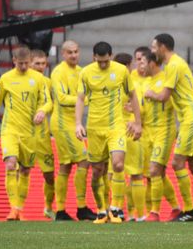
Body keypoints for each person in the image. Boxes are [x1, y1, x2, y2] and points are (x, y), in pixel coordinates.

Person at [146, 33, 193, 222]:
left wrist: (150, 93)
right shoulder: (177, 64)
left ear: (162, 47)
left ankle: (189, 209)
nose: (152, 52)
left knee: (177, 163)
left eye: (153, 47)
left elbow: (164, 96)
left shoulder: (173, 65)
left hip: (191, 118)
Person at [75, 42, 142, 224]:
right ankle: (101, 210)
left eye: (106, 61)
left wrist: (138, 122)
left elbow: (133, 95)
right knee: (98, 171)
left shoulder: (121, 71)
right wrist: (78, 123)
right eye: (100, 62)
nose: (103, 65)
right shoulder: (86, 73)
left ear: (111, 56)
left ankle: (115, 207)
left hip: (115, 126)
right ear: (94, 58)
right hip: (95, 128)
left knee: (118, 165)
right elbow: (80, 98)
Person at [0, 47, 52, 221]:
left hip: (30, 132)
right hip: (10, 130)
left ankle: (19, 209)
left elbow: (48, 101)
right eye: (20, 63)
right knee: (11, 164)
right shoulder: (5, 79)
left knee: (26, 170)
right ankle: (13, 208)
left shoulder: (38, 79)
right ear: (14, 61)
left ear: (30, 61)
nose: (23, 66)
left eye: (26, 63)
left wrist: (42, 111)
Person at [51, 41, 97, 221]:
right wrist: (85, 101)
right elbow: (61, 98)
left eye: (76, 52)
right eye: (70, 52)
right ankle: (81, 207)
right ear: (63, 54)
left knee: (66, 165)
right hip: (63, 124)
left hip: (74, 123)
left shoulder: (81, 71)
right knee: (84, 161)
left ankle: (61, 210)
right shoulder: (58, 72)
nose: (74, 55)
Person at [138, 52, 182, 222]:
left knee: (154, 170)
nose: (141, 66)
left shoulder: (166, 78)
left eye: (143, 62)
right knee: (158, 174)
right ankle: (176, 208)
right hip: (148, 132)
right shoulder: (145, 82)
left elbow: (175, 97)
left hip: (164, 130)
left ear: (152, 63)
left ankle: (155, 213)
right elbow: (144, 109)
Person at [113, 53, 147, 222]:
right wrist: (136, 121)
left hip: (114, 132)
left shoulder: (109, 83)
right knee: (136, 175)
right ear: (128, 65)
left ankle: (117, 211)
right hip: (131, 129)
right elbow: (139, 105)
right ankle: (139, 214)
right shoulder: (131, 81)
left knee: (117, 173)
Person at [29, 49, 56, 220]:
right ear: (29, 63)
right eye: (37, 63)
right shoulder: (18, 80)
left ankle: (48, 207)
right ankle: (15, 209)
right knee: (19, 170)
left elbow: (52, 104)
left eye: (43, 64)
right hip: (23, 133)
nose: (40, 67)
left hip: (42, 135)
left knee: (49, 175)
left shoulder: (48, 82)